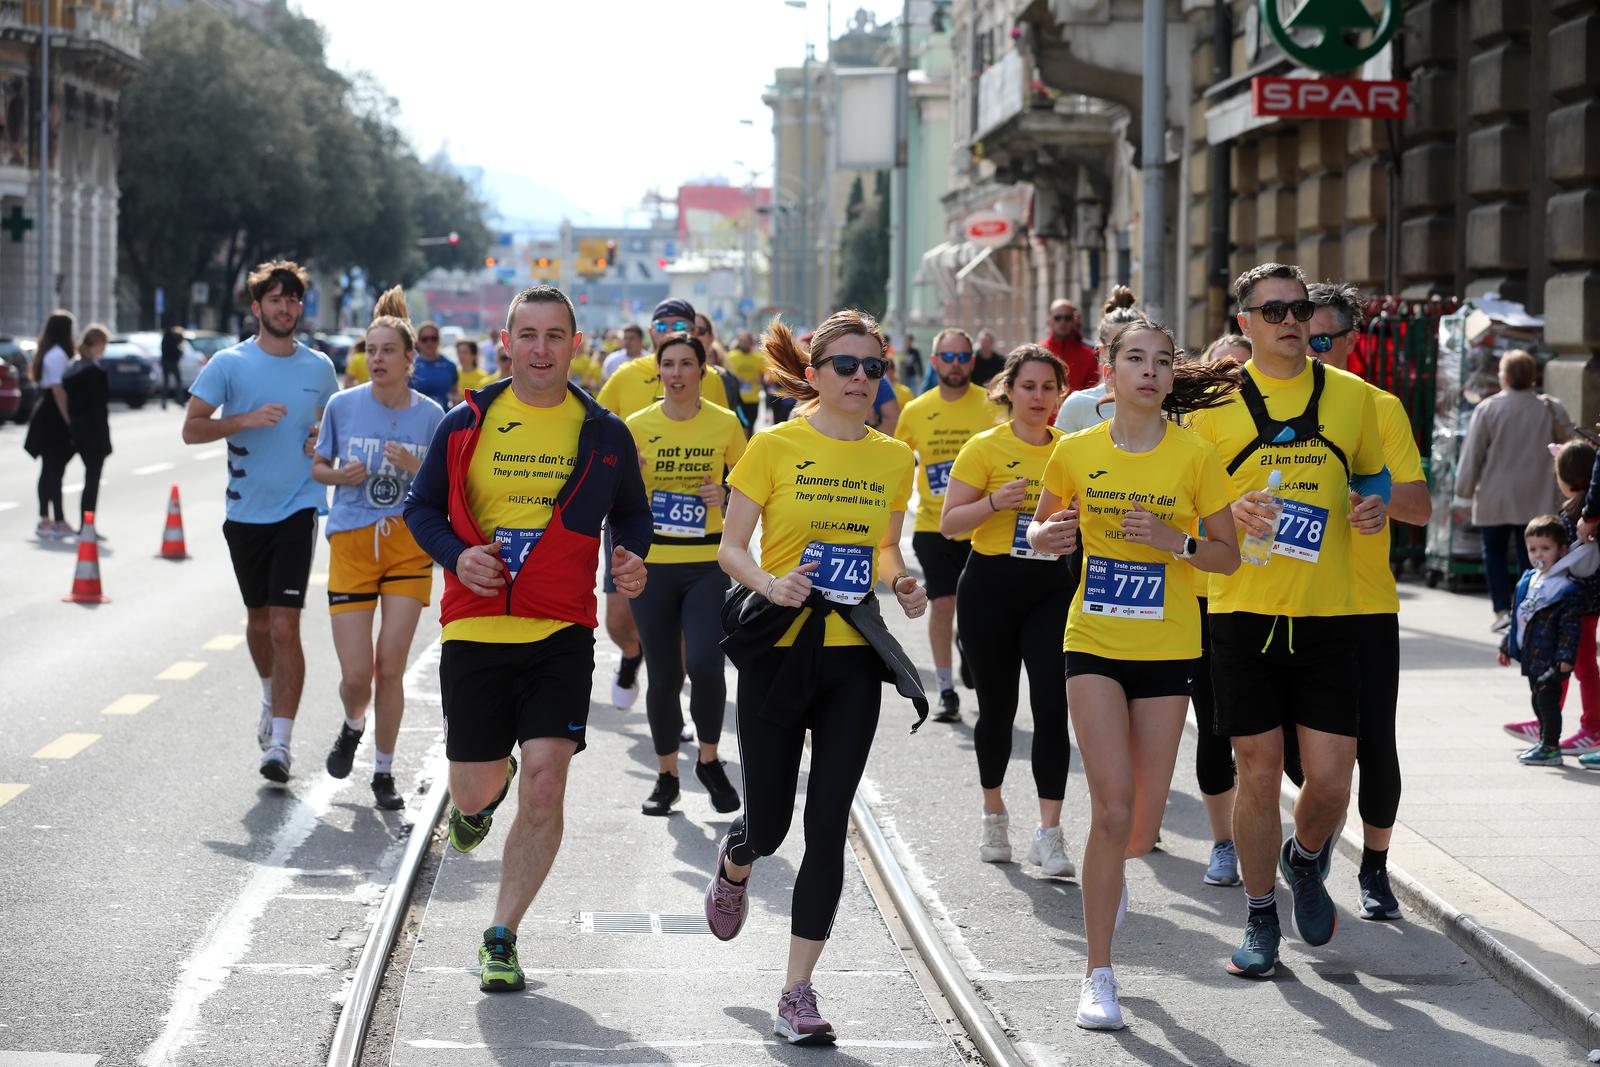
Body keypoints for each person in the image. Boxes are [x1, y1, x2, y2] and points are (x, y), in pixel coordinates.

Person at [403, 284, 652, 994]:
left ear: (577, 344)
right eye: (528, 334)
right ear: (505, 341)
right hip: (476, 626)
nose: (541, 348)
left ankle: (502, 934)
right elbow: (424, 509)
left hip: (561, 630)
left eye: (555, 335)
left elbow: (632, 516)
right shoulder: (466, 422)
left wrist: (630, 556)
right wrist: (456, 554)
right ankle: (485, 794)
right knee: (474, 785)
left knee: (547, 782)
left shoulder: (604, 433)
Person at [704, 310, 928, 1046]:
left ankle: (796, 990)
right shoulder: (774, 445)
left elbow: (886, 546)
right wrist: (770, 584)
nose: (862, 378)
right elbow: (732, 549)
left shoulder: (894, 458)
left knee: (829, 824)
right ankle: (736, 860)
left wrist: (903, 580)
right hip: (776, 651)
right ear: (814, 374)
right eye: (846, 366)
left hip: (851, 661)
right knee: (768, 827)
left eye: (874, 367)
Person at [1028, 319, 1241, 1030]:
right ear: (1109, 373)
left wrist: (1174, 540)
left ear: (1172, 375)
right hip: (1091, 639)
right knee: (1111, 808)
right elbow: (1038, 527)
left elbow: (1225, 555)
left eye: (1161, 361)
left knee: (1140, 821)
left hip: (1167, 647)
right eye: (1135, 359)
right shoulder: (1075, 448)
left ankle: (1110, 869)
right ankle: (1098, 973)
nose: (1149, 372)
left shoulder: (1196, 454)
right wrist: (1048, 536)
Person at [1188, 262, 1390, 980]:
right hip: (1242, 612)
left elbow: (1372, 472)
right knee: (1258, 768)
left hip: (1329, 611)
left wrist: (1372, 502)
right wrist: (1224, 513)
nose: (1291, 321)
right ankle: (1259, 912)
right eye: (1273, 311)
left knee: (1333, 780)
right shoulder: (1212, 405)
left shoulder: (1353, 398)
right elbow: (1185, 501)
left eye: (1300, 308)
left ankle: (1303, 858)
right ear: (1244, 322)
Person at [1304, 281, 1432, 920]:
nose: (1312, 350)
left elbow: (1420, 502)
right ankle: (1316, 837)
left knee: (1375, 741)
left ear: (1352, 343)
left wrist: (1381, 502)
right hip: (1292, 602)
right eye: (1303, 336)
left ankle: (1375, 869)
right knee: (1307, 754)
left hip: (1364, 604)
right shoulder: (1263, 403)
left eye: (1324, 339)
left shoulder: (1380, 409)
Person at [183, 261, 339, 783]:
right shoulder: (229, 364)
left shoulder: (319, 368)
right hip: (245, 511)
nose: (285, 308)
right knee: (257, 622)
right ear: (257, 308)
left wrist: (322, 442)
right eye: (275, 300)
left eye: (293, 300)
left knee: (285, 623)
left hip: (298, 507)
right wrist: (243, 420)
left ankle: (282, 745)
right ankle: (270, 695)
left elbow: (331, 429)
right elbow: (192, 429)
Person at [941, 345, 1076, 875]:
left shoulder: (1073, 449)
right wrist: (995, 502)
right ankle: (994, 814)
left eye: (1048, 388)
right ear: (1008, 391)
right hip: (991, 585)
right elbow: (950, 523)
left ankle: (1050, 832)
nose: (1038, 397)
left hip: (1051, 588)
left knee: (1050, 707)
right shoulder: (984, 448)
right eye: (1028, 387)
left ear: (1061, 393)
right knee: (997, 709)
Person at [312, 288, 445, 810]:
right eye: (370, 350)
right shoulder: (343, 407)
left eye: (387, 351)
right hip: (351, 545)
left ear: (410, 359)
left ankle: (383, 772)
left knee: (390, 666)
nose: (376, 359)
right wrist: (337, 473)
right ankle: (351, 725)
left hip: (407, 549)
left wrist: (415, 470)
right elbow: (318, 467)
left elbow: (446, 485)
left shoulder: (431, 416)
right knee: (355, 675)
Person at [625, 332, 746, 816]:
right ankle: (666, 775)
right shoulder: (635, 425)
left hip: (704, 563)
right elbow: (620, 498)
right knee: (664, 674)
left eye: (685, 364)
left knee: (706, 663)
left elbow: (753, 486)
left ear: (703, 371)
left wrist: (727, 495)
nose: (676, 373)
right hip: (653, 565)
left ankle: (710, 760)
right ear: (660, 373)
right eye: (668, 365)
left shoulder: (724, 423)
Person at [598, 299, 734, 712]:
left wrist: (724, 491)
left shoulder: (709, 380)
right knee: (620, 622)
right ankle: (632, 655)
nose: (671, 329)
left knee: (681, 628)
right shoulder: (624, 376)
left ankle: (669, 704)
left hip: (694, 539)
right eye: (663, 323)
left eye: (681, 324)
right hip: (631, 519)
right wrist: (621, 464)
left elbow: (728, 451)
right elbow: (595, 434)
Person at [894, 327, 998, 722]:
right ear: (934, 362)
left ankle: (967, 646)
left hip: (984, 526)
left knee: (979, 611)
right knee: (943, 602)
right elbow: (900, 468)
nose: (955, 364)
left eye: (962, 357)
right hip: (933, 525)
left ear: (972, 362)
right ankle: (946, 690)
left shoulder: (992, 406)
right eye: (947, 357)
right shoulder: (916, 411)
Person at [1187, 331, 1254, 888]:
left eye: (1242, 371)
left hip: (1271, 600)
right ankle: (1223, 843)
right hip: (1205, 600)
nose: (1233, 381)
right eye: (1222, 371)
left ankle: (1275, 833)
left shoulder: (1280, 434)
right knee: (1214, 727)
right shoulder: (1191, 436)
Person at [1452, 349, 1572, 631]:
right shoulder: (1550, 407)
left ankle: (1501, 611)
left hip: (1495, 495)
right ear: (1533, 376)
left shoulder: (1488, 408)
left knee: (1492, 552)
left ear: (1503, 377)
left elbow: (1473, 455)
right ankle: (1529, 606)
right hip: (1537, 495)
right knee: (1531, 554)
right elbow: (1569, 447)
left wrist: (1464, 491)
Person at [1498, 515, 1585, 766]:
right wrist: (1507, 644)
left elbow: (1570, 629)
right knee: (1537, 699)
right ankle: (1544, 739)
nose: (1539, 554)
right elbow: (1520, 615)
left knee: (1548, 701)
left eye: (1545, 548)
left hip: (1553, 658)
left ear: (1562, 550)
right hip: (1532, 655)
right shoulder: (1531, 580)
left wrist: (1565, 660)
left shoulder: (1566, 588)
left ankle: (1550, 746)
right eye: (1533, 548)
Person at [1055, 287, 1141, 433]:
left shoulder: (1163, 405)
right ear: (1101, 352)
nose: (1129, 356)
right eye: (1116, 347)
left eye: (1138, 348)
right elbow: (1058, 454)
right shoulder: (1079, 404)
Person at [23, 310, 78, 540]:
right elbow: (58, 390)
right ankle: (55, 520)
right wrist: (69, 420)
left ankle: (47, 519)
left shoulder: (48, 351)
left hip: (46, 411)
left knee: (50, 469)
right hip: (53, 414)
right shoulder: (57, 355)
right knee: (53, 469)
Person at [63, 325, 112, 538]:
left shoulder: (72, 370)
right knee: (92, 480)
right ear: (98, 344)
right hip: (93, 433)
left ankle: (84, 524)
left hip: (76, 430)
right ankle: (87, 526)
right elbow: (99, 409)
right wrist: (106, 440)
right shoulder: (95, 373)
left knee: (87, 479)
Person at [1042, 298, 1099, 394]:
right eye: (1058, 318)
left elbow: (1093, 393)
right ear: (1049, 320)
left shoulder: (1089, 356)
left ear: (1075, 319)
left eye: (1067, 318)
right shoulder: (1039, 352)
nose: (1062, 322)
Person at [408, 321, 458, 411]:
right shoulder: (409, 366)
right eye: (425, 339)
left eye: (433, 338)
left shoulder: (449, 365)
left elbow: (455, 393)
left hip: (443, 417)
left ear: (439, 340)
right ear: (418, 341)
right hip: (416, 416)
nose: (429, 342)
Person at [725, 329, 767, 429]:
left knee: (751, 425)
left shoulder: (758, 357)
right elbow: (724, 373)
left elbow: (767, 374)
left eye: (746, 342)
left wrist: (761, 379)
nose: (744, 344)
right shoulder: (731, 356)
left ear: (751, 343)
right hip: (737, 399)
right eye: (742, 342)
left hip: (753, 399)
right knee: (739, 426)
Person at [160, 324, 186, 410]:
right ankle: (181, 400)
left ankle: (164, 402)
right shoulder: (175, 338)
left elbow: (163, 350)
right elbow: (178, 351)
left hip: (165, 362)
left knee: (166, 383)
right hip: (173, 362)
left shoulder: (165, 338)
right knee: (178, 382)